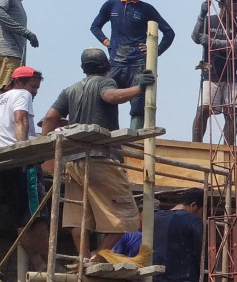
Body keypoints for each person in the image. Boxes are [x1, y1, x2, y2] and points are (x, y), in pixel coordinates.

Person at [40, 48, 153, 259]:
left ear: (83, 68)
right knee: (127, 214)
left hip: (72, 162)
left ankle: (83, 257)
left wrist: (44, 151)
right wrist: (139, 88)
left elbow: (48, 118)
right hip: (101, 158)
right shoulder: (105, 82)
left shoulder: (69, 90)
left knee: (78, 217)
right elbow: (110, 97)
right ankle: (98, 255)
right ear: (107, 67)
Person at [89, 0, 175, 129]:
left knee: (138, 108)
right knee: (104, 98)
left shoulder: (146, 9)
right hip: (115, 63)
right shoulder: (111, 6)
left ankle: (133, 142)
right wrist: (106, 41)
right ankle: (105, 135)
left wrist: (154, 51)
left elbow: (169, 32)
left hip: (138, 64)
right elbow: (95, 26)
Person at [0, 65, 48, 269]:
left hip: (6, 164)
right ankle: (50, 263)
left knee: (21, 218)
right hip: (23, 163)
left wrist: (2, 136)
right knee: (38, 215)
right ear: (19, 82)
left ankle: (38, 262)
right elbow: (20, 119)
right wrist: (22, 149)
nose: (35, 91)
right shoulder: (22, 94)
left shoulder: (1, 100)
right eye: (33, 86)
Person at [191, 0, 237, 145]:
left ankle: (228, 150)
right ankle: (196, 146)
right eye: (232, 9)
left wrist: (212, 42)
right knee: (203, 109)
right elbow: (195, 37)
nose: (235, 13)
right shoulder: (210, 21)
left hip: (234, 75)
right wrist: (202, 15)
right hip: (212, 73)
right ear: (221, 5)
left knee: (232, 113)